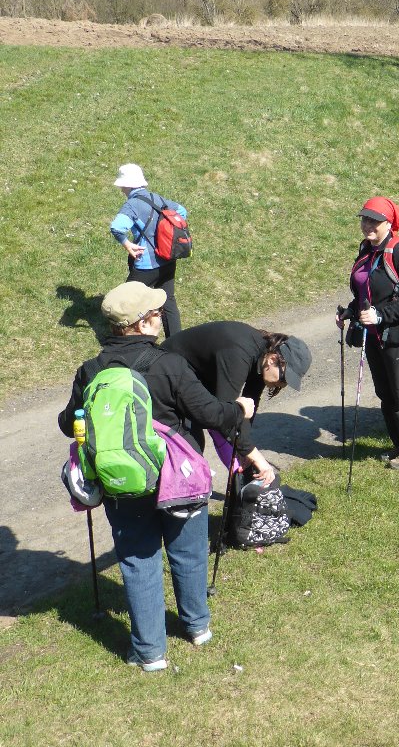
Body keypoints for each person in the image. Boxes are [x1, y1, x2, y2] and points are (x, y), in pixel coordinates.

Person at [58, 282, 255, 671]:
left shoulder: (92, 370)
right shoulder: (169, 364)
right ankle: (197, 627)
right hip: (176, 475)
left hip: (120, 482)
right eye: (156, 313)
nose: (162, 318)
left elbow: (68, 423)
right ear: (143, 323)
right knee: (188, 551)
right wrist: (240, 409)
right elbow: (212, 415)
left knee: (137, 560)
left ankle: (150, 653)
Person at [161, 321, 312, 486]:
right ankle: (174, 499)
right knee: (191, 446)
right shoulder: (239, 354)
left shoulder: (262, 357)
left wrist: (244, 446)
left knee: (223, 437)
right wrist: (254, 455)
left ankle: (239, 490)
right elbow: (224, 414)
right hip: (165, 374)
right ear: (273, 359)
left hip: (194, 378)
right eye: (284, 378)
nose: (282, 385)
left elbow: (248, 407)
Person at [337, 196, 399, 471]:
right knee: (385, 392)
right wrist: (350, 312)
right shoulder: (366, 249)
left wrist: (381, 315)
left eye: (374, 221)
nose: (368, 225)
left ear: (389, 223)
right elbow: (366, 291)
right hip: (372, 335)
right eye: (365, 219)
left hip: (397, 335)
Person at [109, 163, 187, 337]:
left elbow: (117, 227)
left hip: (146, 265)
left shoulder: (132, 205)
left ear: (127, 185)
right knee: (168, 301)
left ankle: (128, 343)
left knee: (127, 302)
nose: (121, 188)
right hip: (167, 259)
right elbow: (182, 211)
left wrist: (127, 244)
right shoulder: (157, 198)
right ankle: (176, 344)